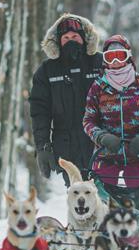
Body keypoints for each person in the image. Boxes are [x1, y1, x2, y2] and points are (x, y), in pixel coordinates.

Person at [82, 35, 139, 210]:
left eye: (120, 55)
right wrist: (102, 137)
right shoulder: (98, 88)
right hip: (106, 156)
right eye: (111, 57)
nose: (116, 61)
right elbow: (89, 120)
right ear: (105, 61)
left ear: (128, 56)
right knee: (104, 205)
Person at [28, 13, 104, 185]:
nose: (71, 40)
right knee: (80, 202)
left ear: (84, 38)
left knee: (103, 202)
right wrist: (43, 147)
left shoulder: (100, 63)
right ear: (58, 41)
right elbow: (39, 111)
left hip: (100, 146)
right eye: (66, 37)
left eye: (75, 36)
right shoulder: (47, 71)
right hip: (67, 149)